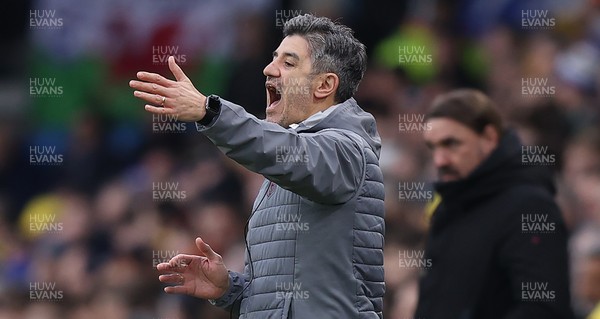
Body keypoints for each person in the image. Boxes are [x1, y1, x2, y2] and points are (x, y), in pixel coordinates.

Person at [129, 14, 385, 319]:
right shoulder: (288, 159)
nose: (268, 69)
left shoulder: (346, 150)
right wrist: (229, 290)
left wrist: (208, 113)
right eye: (273, 58)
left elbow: (285, 151)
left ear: (324, 85)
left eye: (288, 63)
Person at [415, 89, 574, 319]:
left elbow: (542, 310)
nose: (440, 160)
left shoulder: (530, 207)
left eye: (451, 144)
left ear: (489, 137)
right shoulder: (448, 208)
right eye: (433, 147)